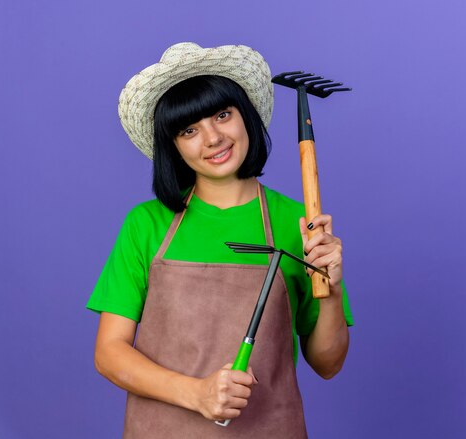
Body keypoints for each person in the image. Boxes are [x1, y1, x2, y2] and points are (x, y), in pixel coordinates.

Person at [87, 42, 354, 438]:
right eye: (189, 129)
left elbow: (327, 364)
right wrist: (197, 393)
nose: (212, 138)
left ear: (245, 116)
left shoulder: (300, 224)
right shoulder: (146, 225)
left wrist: (330, 290)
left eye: (222, 115)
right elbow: (109, 354)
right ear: (173, 147)